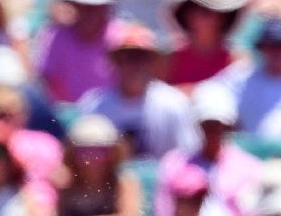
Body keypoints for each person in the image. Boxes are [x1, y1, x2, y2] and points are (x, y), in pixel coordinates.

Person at [143, 82, 262, 216]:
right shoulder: (173, 163)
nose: (213, 131)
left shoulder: (249, 166)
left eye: (219, 125)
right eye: (207, 125)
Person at [78, 19, 199, 159]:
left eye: (142, 58)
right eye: (130, 58)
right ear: (117, 62)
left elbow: (188, 157)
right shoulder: (95, 105)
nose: (136, 65)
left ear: (153, 63)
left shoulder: (174, 103)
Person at [211, 16, 281, 148]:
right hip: (249, 154)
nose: (279, 52)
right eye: (273, 45)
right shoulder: (241, 75)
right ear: (262, 48)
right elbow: (211, 95)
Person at [57, 115, 142, 216]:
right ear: (72, 154)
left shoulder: (124, 183)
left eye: (100, 152)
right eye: (84, 152)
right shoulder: (67, 184)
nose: (92, 159)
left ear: (114, 153)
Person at [35, 0, 115, 104]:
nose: (90, 12)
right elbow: (46, 83)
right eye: (84, 5)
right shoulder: (55, 37)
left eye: (96, 6)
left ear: (106, 7)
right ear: (75, 5)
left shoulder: (122, 38)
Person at [168, 0, 247, 89]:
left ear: (224, 19)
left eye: (217, 13)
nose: (210, 19)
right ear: (187, 16)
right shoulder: (169, 59)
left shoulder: (237, 61)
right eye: (202, 12)